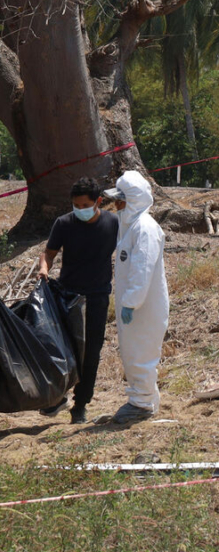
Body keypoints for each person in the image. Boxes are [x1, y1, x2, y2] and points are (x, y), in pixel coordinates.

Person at [36, 177, 119, 424]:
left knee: (91, 352)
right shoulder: (64, 224)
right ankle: (56, 398)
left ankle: (80, 404)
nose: (79, 209)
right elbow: (48, 253)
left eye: (85, 205)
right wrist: (43, 269)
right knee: (61, 348)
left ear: (98, 202)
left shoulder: (113, 223)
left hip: (97, 296)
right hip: (67, 294)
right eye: (76, 205)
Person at [103, 170, 169, 425]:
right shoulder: (131, 226)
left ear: (133, 200)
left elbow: (142, 270)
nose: (117, 205)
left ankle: (141, 403)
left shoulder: (145, 228)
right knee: (135, 352)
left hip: (143, 306)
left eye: (121, 200)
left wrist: (131, 303)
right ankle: (146, 400)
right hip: (136, 305)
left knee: (140, 353)